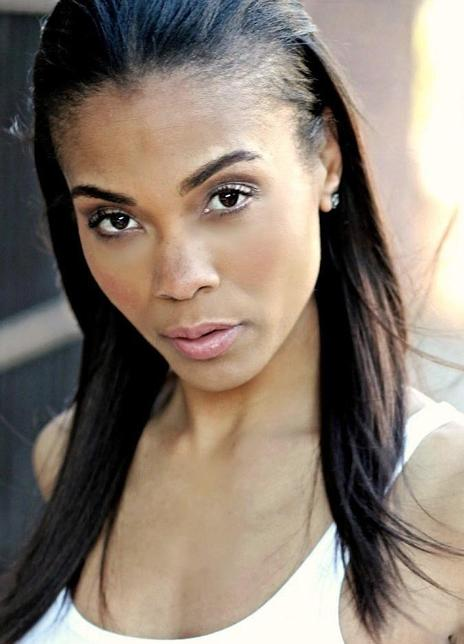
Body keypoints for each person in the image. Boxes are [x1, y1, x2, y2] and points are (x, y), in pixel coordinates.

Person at [1, 0, 464, 642]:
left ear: (327, 159)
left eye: (227, 196)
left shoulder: (444, 498)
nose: (179, 278)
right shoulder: (69, 458)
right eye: (116, 219)